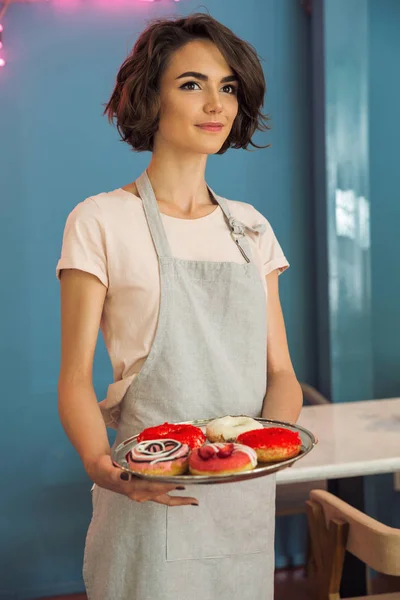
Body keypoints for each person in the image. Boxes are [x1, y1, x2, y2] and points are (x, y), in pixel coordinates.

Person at [56, 12, 302, 600]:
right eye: (192, 84)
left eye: (228, 87)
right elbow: (72, 380)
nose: (215, 103)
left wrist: (269, 445)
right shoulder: (99, 221)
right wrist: (103, 469)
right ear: (150, 96)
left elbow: (281, 374)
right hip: (144, 493)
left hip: (241, 499)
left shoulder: (251, 228)